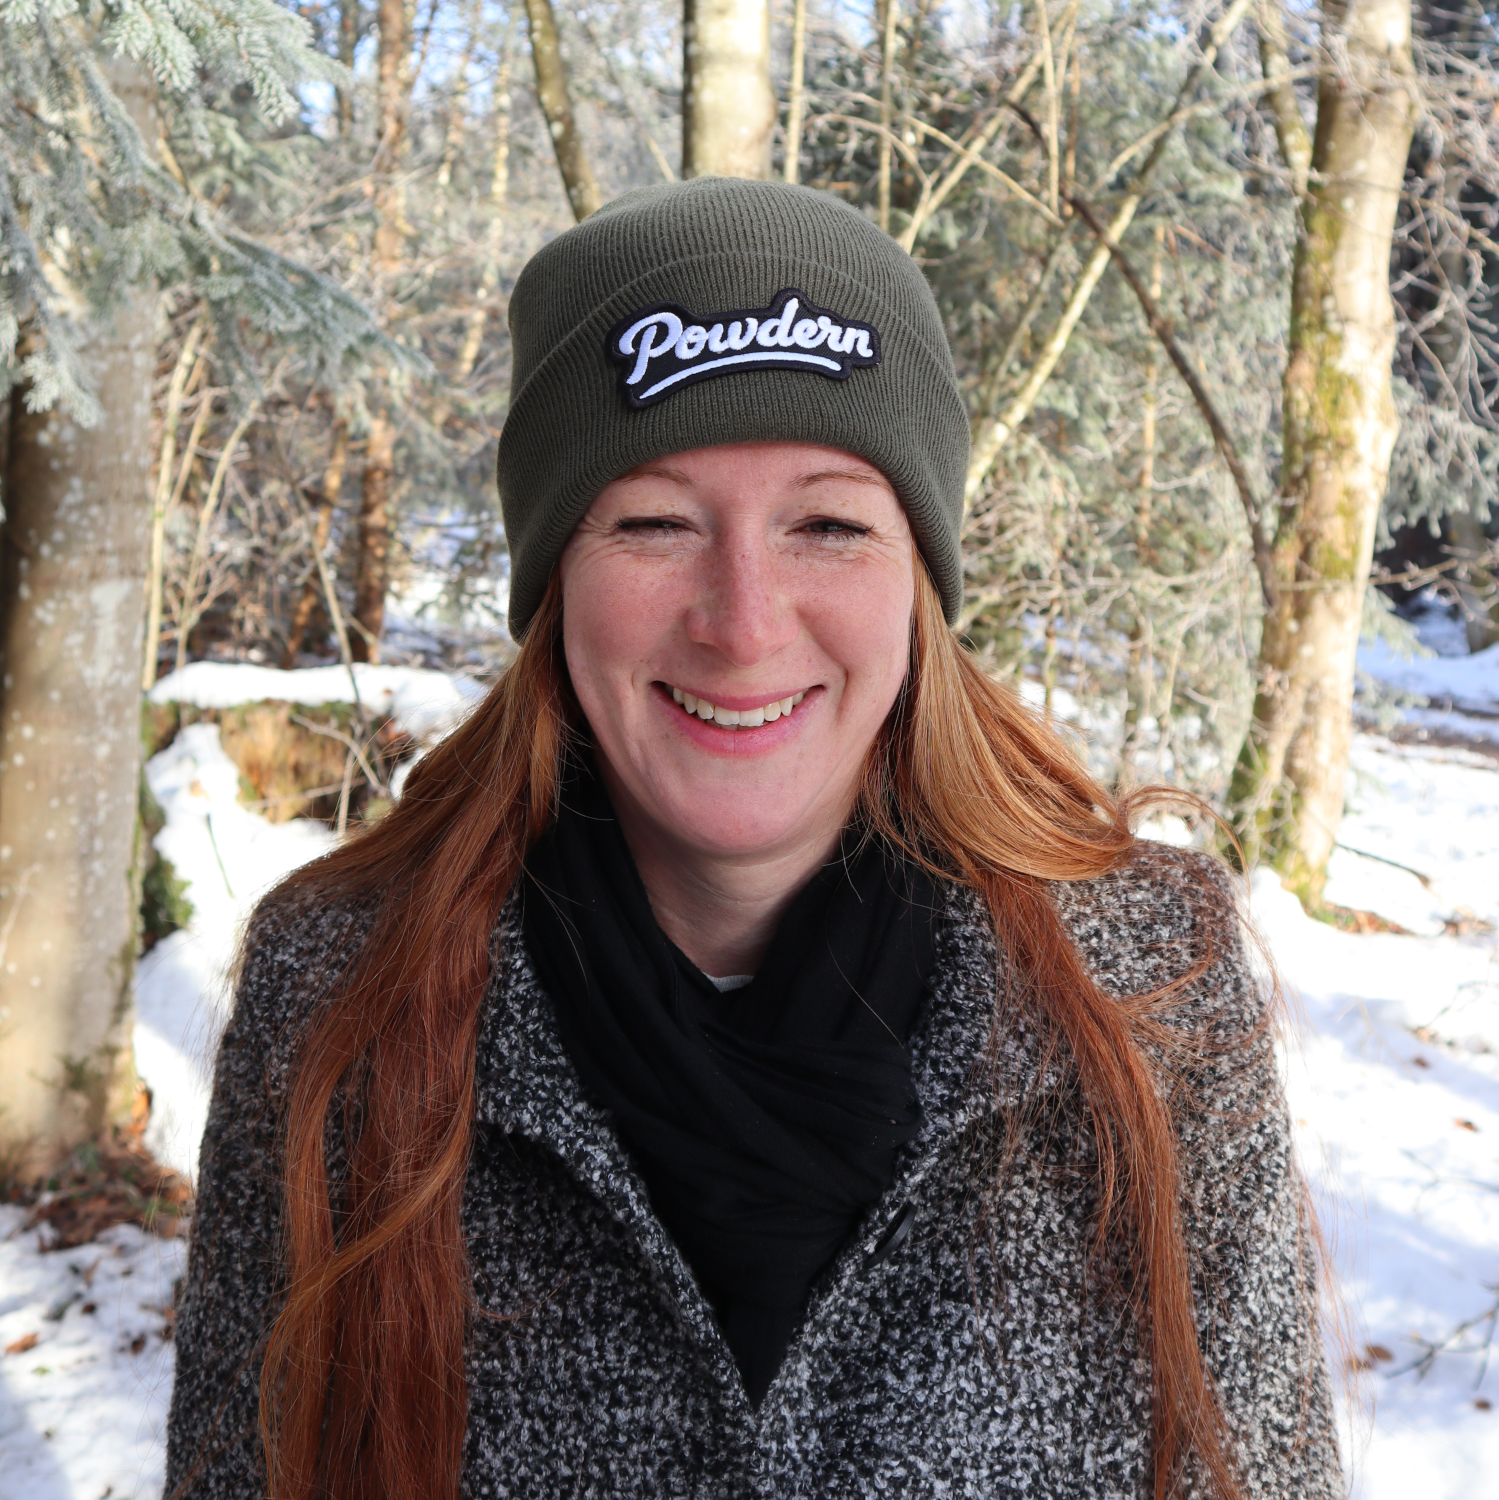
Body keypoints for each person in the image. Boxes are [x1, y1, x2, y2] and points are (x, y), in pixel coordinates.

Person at [166, 178, 1341, 1500]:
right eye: (656, 523)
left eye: (830, 524)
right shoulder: (340, 993)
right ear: (556, 579)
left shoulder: (1151, 993)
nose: (742, 620)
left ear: (919, 579)